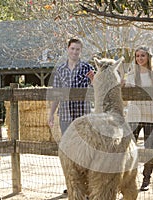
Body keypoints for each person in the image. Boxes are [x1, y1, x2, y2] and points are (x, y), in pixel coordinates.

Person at [48, 38, 95, 194]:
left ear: (81, 51)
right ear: (67, 49)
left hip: (83, 117)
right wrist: (51, 114)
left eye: (78, 49)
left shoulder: (88, 68)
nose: (75, 52)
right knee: (68, 152)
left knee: (85, 151)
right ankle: (72, 185)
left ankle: (87, 186)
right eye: (72, 48)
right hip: (66, 116)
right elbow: (56, 94)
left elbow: (97, 87)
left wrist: (94, 79)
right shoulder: (60, 70)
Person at [124, 45, 153, 191]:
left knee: (148, 148)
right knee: (131, 148)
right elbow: (125, 92)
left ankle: (146, 178)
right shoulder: (130, 74)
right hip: (133, 116)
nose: (140, 58)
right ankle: (130, 179)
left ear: (148, 57)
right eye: (137, 56)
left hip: (150, 116)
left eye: (143, 55)